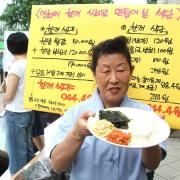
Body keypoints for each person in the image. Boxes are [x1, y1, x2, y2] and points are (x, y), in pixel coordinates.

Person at [49, 36, 166, 180]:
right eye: (105, 71)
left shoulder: (145, 114)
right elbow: (57, 165)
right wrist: (77, 135)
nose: (114, 79)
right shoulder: (76, 114)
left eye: (121, 70)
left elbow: (152, 165)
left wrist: (151, 136)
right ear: (94, 74)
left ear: (131, 72)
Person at [3, 32, 34, 175]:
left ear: (9, 48)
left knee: (16, 155)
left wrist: (3, 102)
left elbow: (9, 95)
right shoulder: (32, 64)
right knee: (27, 151)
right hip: (29, 112)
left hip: (15, 113)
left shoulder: (16, 67)